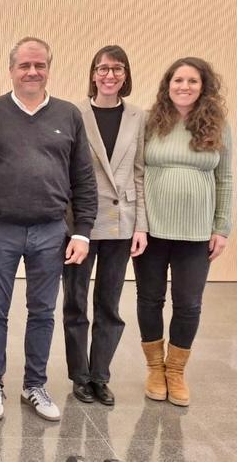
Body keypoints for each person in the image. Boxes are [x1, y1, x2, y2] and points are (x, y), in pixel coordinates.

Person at [0, 37, 97, 422]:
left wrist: (82, 231)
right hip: (0, 229)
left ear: (49, 68)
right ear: (11, 69)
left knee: (42, 312)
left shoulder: (68, 115)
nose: (32, 72)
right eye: (24, 65)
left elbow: (83, 177)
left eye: (39, 65)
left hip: (50, 231)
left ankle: (34, 384)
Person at [135, 57, 232, 407]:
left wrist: (222, 227)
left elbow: (226, 178)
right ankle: (154, 369)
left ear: (203, 86)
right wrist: (138, 224)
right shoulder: (150, 122)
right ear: (167, 84)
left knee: (188, 304)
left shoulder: (219, 126)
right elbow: (137, 173)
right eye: (178, 80)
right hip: (152, 231)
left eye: (192, 81)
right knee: (149, 299)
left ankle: (175, 372)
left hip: (196, 234)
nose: (184, 86)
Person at [62, 45, 147, 406]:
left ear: (126, 75)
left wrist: (140, 225)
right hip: (81, 222)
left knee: (110, 303)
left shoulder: (138, 117)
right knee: (76, 302)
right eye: (102, 68)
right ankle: (79, 376)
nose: (109, 75)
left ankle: (101, 376)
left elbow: (140, 174)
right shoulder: (74, 113)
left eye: (117, 69)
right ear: (93, 73)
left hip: (120, 222)